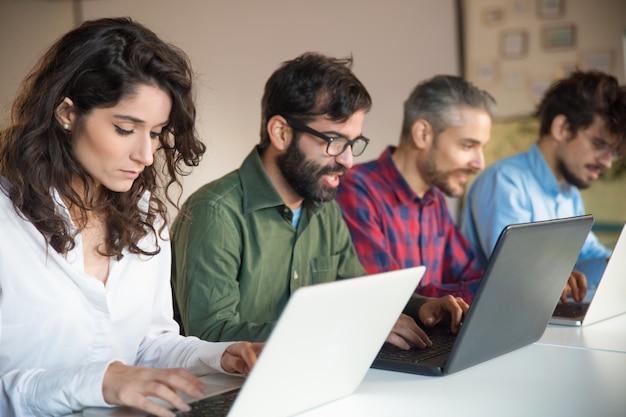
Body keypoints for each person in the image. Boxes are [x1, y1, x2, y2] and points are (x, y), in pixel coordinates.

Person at [0, 18, 263, 417]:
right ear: (66, 113)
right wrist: (101, 382)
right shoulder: (7, 223)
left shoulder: (144, 220)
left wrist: (224, 355)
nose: (145, 154)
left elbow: (147, 346)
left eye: (156, 133)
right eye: (126, 128)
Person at [171, 53, 468, 352]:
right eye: (334, 141)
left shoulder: (324, 209)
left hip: (318, 377)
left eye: (352, 143)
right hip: (230, 389)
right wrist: (350, 328)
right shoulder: (214, 212)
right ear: (281, 133)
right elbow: (210, 334)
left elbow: (359, 293)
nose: (348, 160)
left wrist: (423, 307)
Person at [462, 70, 626, 303]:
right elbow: (516, 269)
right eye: (598, 144)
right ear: (562, 128)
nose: (607, 162)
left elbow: (586, 253)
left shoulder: (570, 194)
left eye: (613, 152)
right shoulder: (505, 182)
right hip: (505, 316)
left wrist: (617, 264)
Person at [335, 75, 496, 304]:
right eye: (468, 145)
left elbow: (472, 276)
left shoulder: (434, 199)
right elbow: (388, 299)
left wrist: (514, 285)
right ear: (422, 134)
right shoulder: (356, 190)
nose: (480, 163)